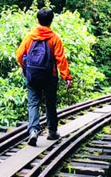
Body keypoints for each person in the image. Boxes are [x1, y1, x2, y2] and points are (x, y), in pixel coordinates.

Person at [15, 8, 72, 146]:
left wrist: (25, 68)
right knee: (50, 103)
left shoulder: (30, 37)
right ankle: (52, 132)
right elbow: (60, 59)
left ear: (37, 20)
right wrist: (67, 77)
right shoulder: (54, 38)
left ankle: (33, 131)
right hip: (49, 76)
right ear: (51, 21)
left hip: (32, 76)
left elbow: (19, 54)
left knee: (33, 103)